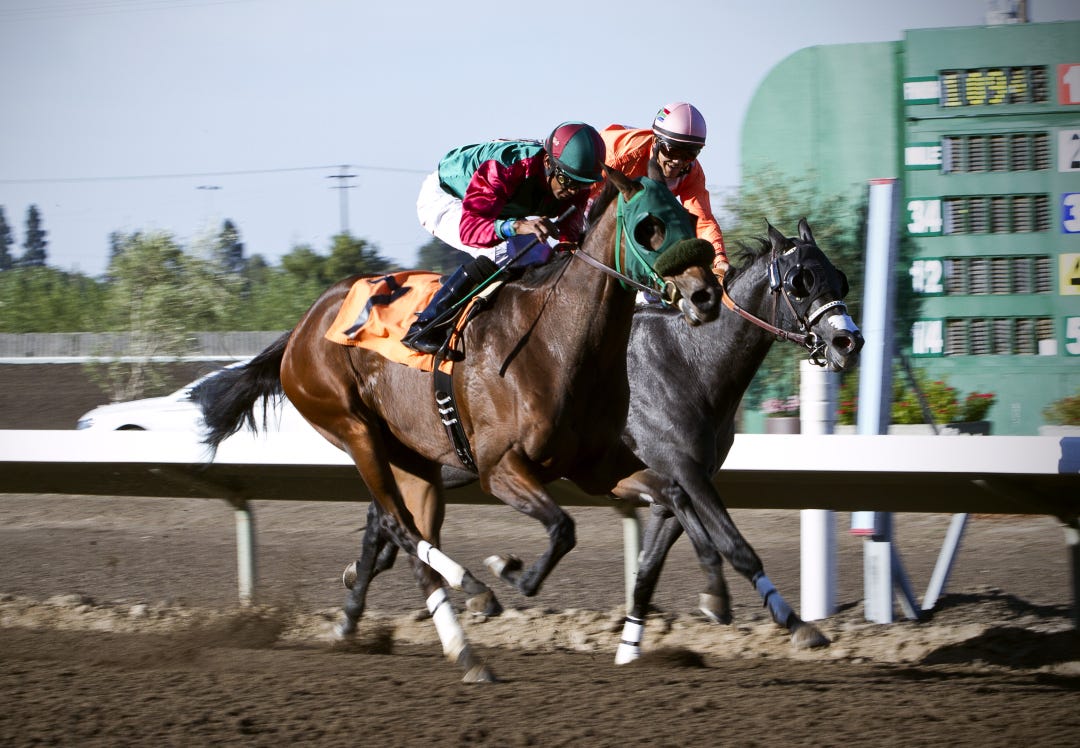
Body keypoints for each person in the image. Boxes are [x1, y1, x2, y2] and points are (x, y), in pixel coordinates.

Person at [403, 121, 606, 354]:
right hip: (448, 198)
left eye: (582, 184)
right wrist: (517, 226)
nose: (573, 191)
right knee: (498, 252)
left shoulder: (576, 185)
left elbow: (568, 243)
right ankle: (424, 327)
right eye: (567, 181)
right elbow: (471, 230)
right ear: (548, 163)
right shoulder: (504, 168)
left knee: (540, 256)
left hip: (496, 207)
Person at [596, 102, 728, 281]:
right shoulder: (622, 157)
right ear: (655, 142)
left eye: (689, 154)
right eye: (672, 151)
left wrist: (720, 259)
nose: (678, 162)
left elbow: (703, 221)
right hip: (596, 176)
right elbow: (583, 195)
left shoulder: (693, 172)